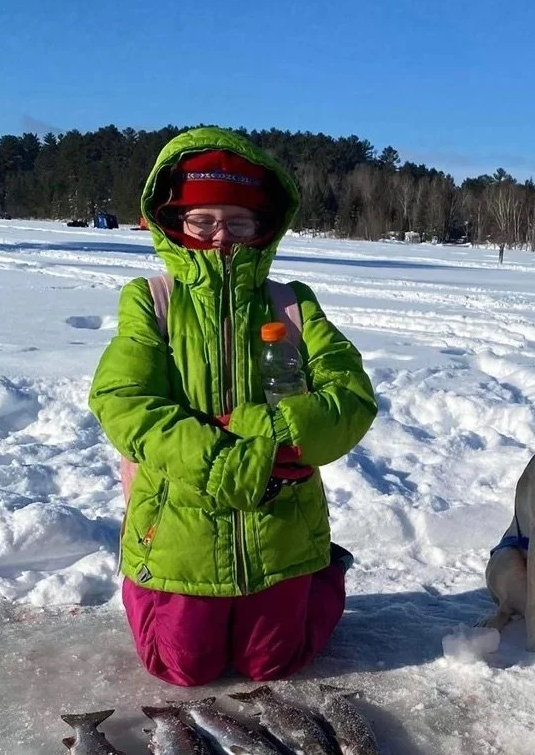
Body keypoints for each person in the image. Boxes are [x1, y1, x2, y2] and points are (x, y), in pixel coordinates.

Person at [89, 127, 377, 686]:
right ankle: (146, 579)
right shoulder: (151, 301)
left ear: (263, 228)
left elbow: (351, 398)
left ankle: (321, 572)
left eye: (238, 221)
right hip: (180, 521)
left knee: (274, 664)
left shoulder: (291, 302)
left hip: (281, 522)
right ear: (176, 224)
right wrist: (221, 461)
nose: (221, 236)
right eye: (203, 221)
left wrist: (267, 432)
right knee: (179, 668)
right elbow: (123, 401)